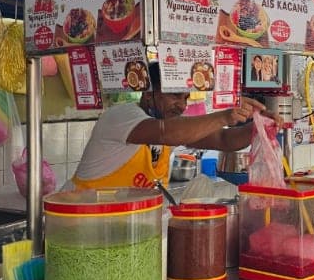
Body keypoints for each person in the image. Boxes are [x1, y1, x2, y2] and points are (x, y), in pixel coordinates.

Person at [69, 62, 275, 190]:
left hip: (124, 232)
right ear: (149, 94)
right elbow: (165, 134)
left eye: (185, 97)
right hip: (83, 225)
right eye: (174, 96)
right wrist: (225, 116)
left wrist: (261, 127)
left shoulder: (171, 128)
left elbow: (224, 139)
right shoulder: (120, 116)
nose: (182, 105)